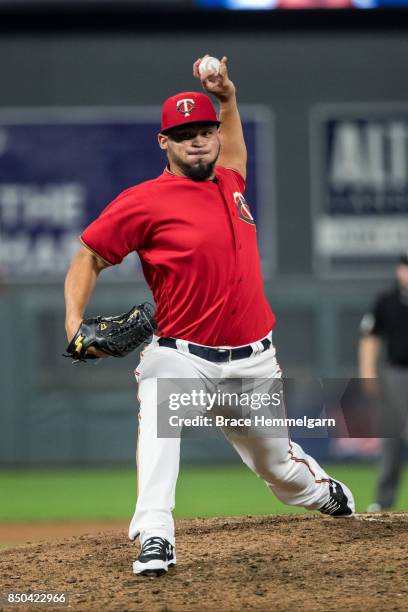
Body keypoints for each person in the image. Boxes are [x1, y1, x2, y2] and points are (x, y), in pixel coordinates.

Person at [64, 55, 355, 578]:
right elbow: (88, 255)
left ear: (216, 135)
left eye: (204, 131)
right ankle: (155, 533)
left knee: (280, 471)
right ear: (164, 142)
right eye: (183, 134)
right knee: (159, 413)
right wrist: (73, 323)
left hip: (254, 362)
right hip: (181, 357)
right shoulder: (142, 202)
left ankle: (321, 491)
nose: (197, 140)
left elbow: (235, 144)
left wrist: (227, 97)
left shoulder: (231, 182)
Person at [359, 254, 408, 512]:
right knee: (391, 439)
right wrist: (367, 372)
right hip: (396, 374)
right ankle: (384, 502)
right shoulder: (386, 300)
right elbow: (370, 338)